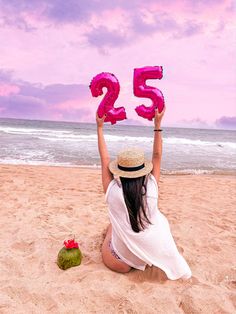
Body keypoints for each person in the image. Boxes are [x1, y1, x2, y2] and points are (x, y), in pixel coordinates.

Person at [96, 108, 192, 280]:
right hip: (146, 256)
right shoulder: (151, 190)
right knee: (157, 220)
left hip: (121, 262)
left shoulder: (114, 194)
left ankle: (111, 236)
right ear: (143, 171)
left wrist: (100, 127)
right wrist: (157, 124)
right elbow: (157, 155)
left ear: (120, 172)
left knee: (111, 230)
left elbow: (104, 160)